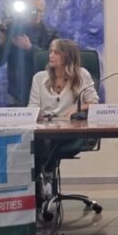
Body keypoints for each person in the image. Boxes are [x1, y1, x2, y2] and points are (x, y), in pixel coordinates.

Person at [28, 39, 99, 201]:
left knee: (47, 144)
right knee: (35, 141)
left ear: (67, 56)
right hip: (45, 130)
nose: (50, 55)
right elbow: (32, 106)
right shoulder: (39, 78)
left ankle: (45, 174)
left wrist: (77, 109)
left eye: (56, 52)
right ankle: (43, 179)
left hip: (71, 132)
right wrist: (38, 114)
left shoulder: (82, 75)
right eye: (50, 52)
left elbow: (94, 103)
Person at [0, 0, 59, 106]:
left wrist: (29, 48)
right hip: (17, 93)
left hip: (45, 91)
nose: (37, 14)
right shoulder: (13, 30)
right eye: (33, 10)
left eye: (40, 11)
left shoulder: (51, 34)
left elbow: (56, 62)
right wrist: (2, 40)